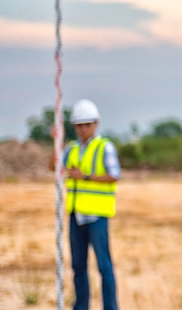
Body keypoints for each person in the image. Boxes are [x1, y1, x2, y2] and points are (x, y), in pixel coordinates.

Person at [49, 99, 120, 310]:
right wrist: (55, 142)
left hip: (97, 215)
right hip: (75, 214)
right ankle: (81, 306)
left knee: (103, 266)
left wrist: (86, 176)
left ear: (95, 124)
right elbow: (53, 166)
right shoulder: (70, 149)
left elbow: (114, 175)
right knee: (78, 266)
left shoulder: (104, 147)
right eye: (79, 125)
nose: (83, 129)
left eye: (87, 124)